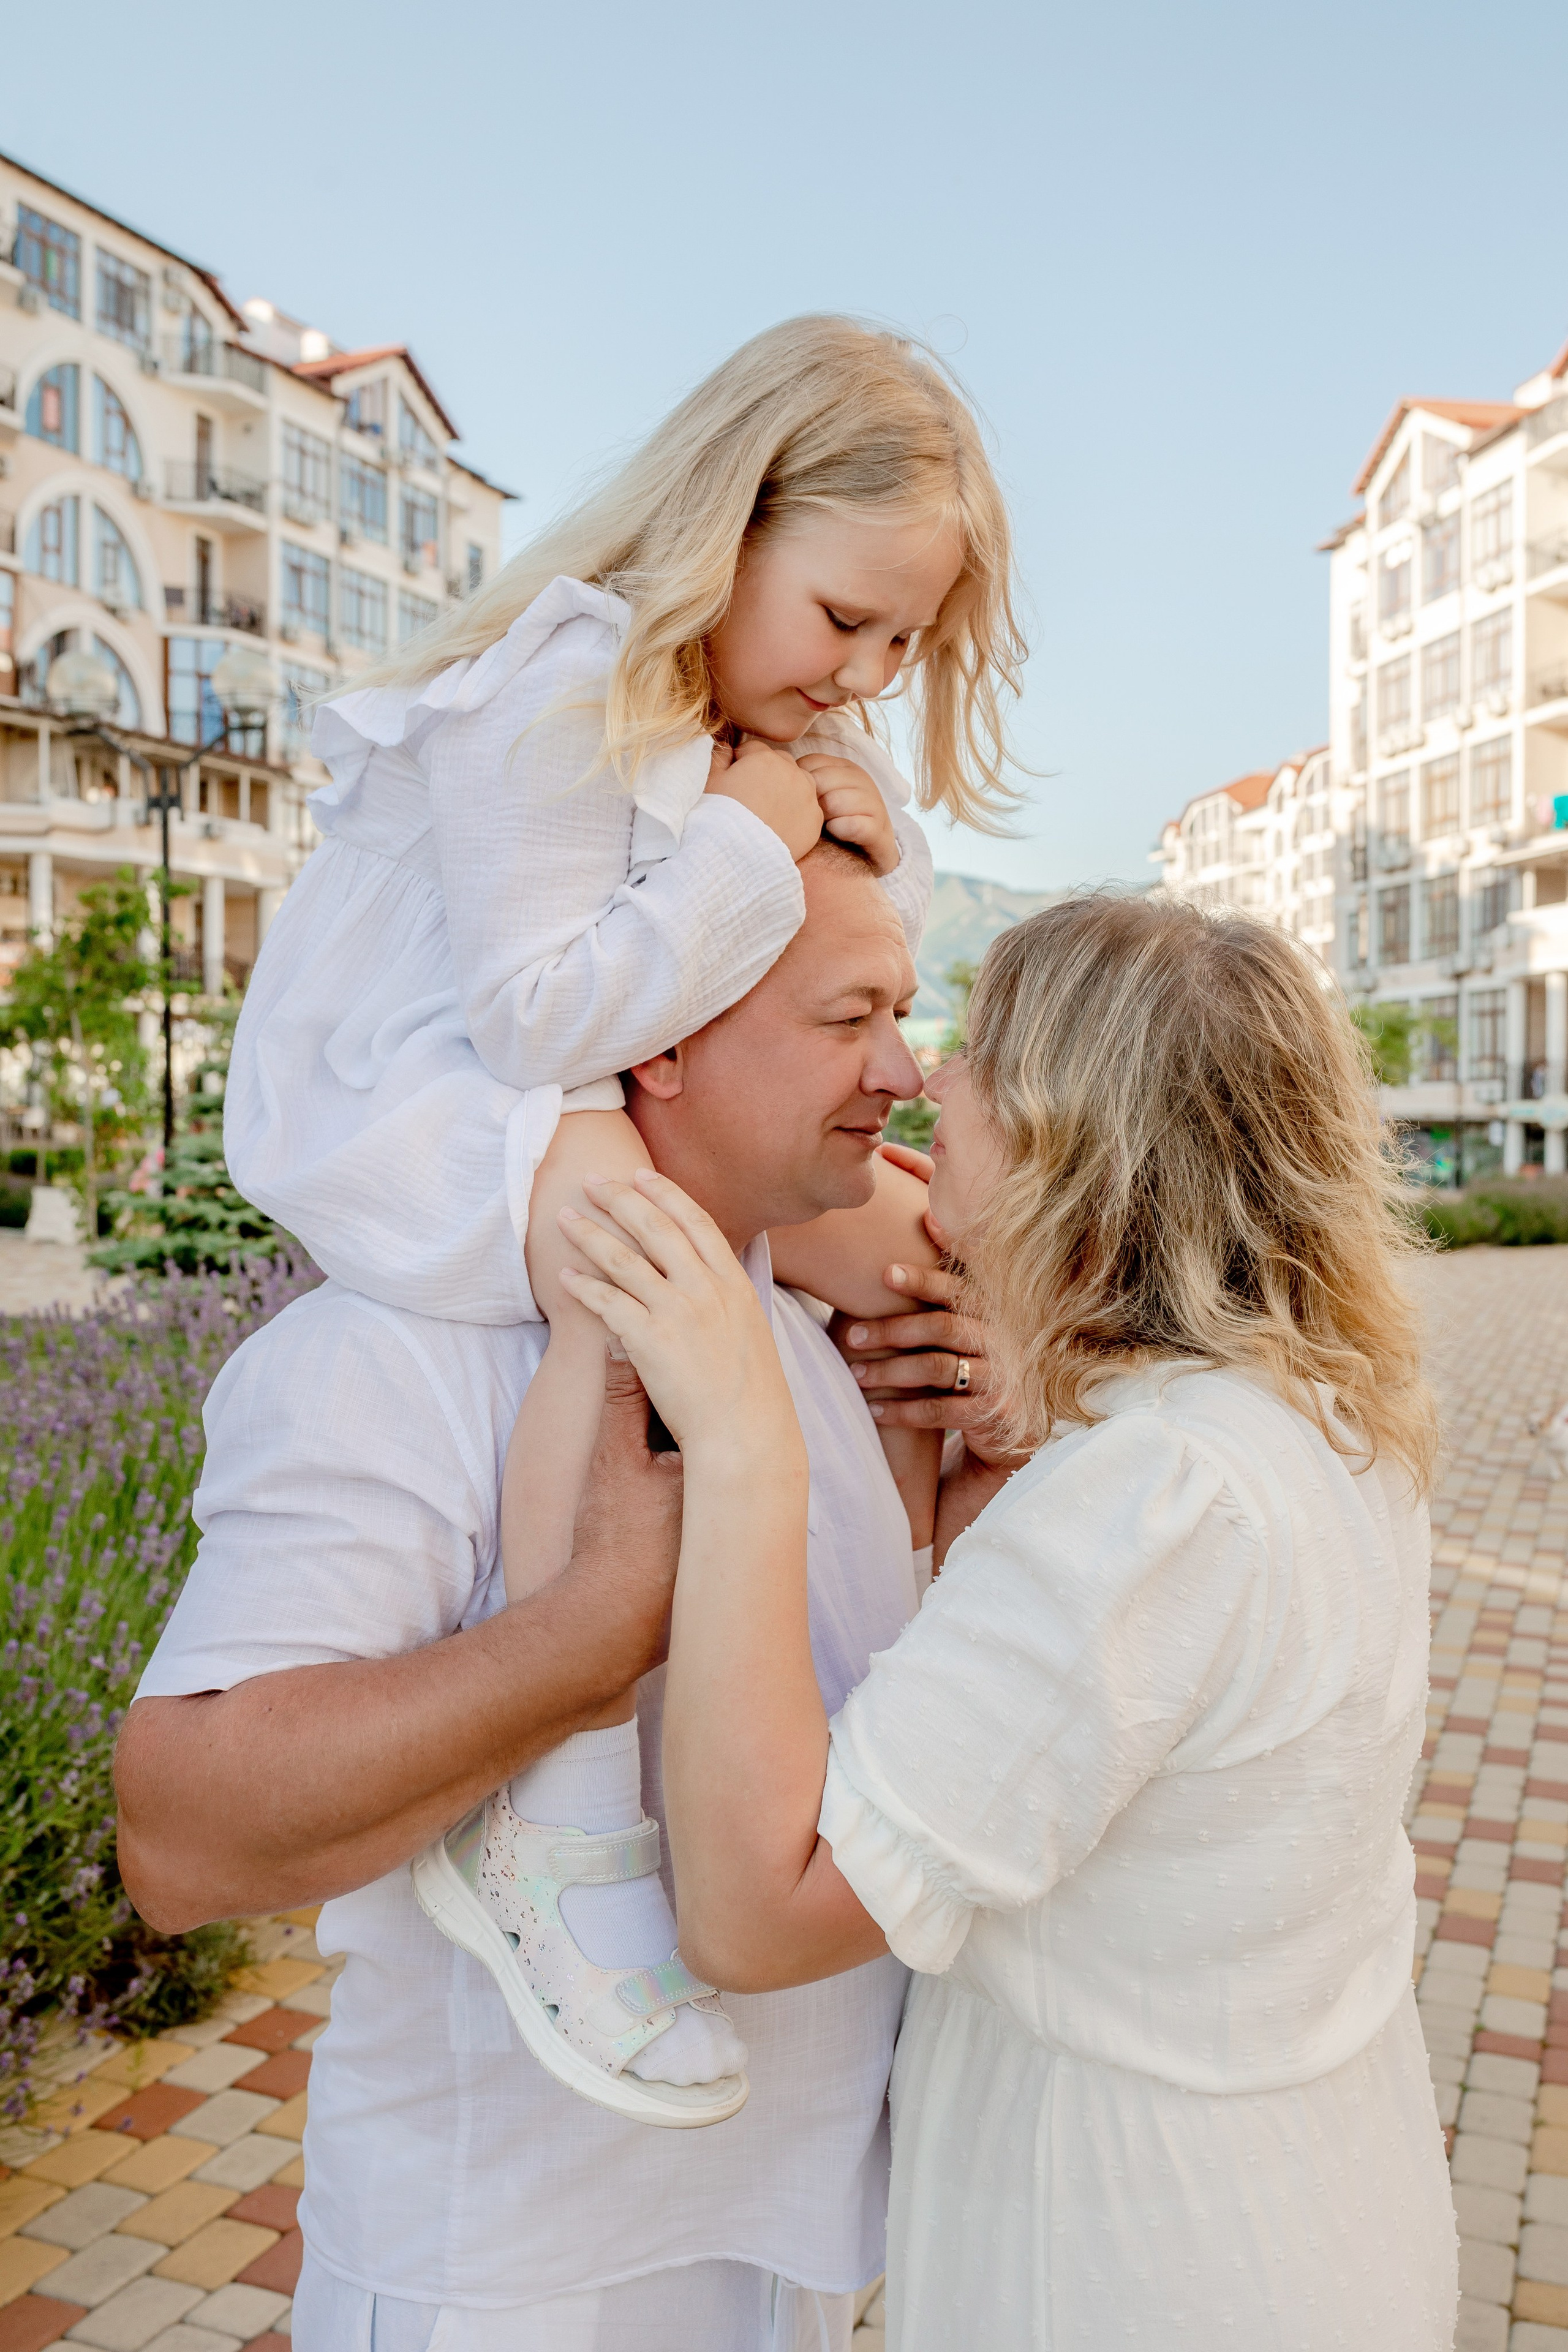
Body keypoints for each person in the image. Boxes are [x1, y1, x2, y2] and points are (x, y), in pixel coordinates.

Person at [221, 314, 1025, 2120]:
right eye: (845, 619)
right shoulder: (562, 683)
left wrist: (852, 825)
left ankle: (924, 1596)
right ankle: (559, 1827)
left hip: (577, 1083)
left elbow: (822, 945)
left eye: (903, 644)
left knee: (910, 1253)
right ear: (728, 527)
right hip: (419, 1091)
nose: (863, 672)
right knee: (629, 1269)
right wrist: (750, 837)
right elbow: (539, 1020)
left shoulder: (755, 718)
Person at [549, 892, 1461, 2351]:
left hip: (1133, 2270)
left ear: (1068, 1139)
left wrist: (744, 1440)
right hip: (1307, 2209)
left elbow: (753, 1914)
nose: (926, 1077)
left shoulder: (1154, 1501)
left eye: (975, 1050)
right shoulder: (1310, 1419)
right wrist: (990, 1470)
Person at [118, 841, 993, 2352]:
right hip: (520, 2277)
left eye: (900, 1017)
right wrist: (588, 1632)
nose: (899, 1073)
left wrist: (981, 1469)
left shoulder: (807, 1327)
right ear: (655, 1037)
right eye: (847, 1017)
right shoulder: (396, 1353)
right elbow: (180, 1835)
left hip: (794, 2246)